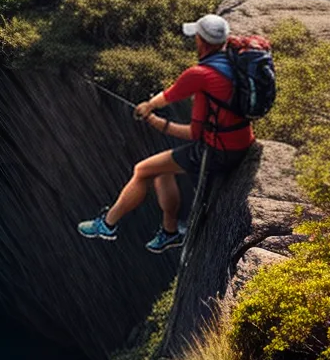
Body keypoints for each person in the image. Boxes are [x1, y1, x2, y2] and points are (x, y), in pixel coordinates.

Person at [77, 13, 255, 253]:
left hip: (217, 151)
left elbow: (192, 129)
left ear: (202, 41)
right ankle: (169, 230)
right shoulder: (234, 64)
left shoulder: (200, 75)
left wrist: (156, 121)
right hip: (242, 140)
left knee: (142, 170)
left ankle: (107, 225)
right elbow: (172, 98)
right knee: (161, 173)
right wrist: (152, 106)